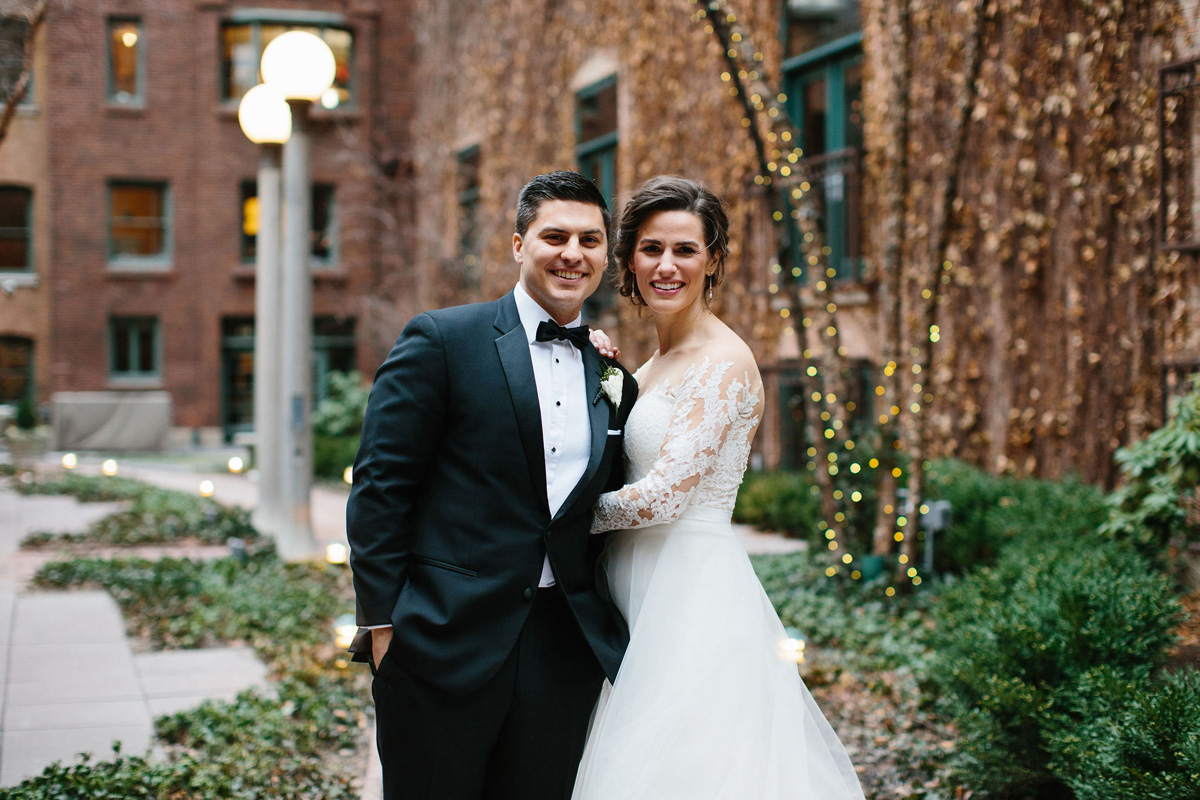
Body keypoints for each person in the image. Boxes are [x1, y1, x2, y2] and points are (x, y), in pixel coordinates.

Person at [571, 176, 866, 799]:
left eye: (685, 249)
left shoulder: (722, 360)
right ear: (628, 261)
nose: (667, 265)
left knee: (685, 767)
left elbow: (664, 495)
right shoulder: (646, 368)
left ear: (712, 260)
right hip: (629, 586)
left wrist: (555, 517)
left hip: (688, 586)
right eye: (651, 249)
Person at [346, 170, 638, 800]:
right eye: (554, 236)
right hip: (441, 641)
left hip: (562, 651)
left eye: (590, 240)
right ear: (517, 245)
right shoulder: (442, 340)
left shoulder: (608, 367)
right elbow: (379, 487)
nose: (573, 254)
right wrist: (382, 627)